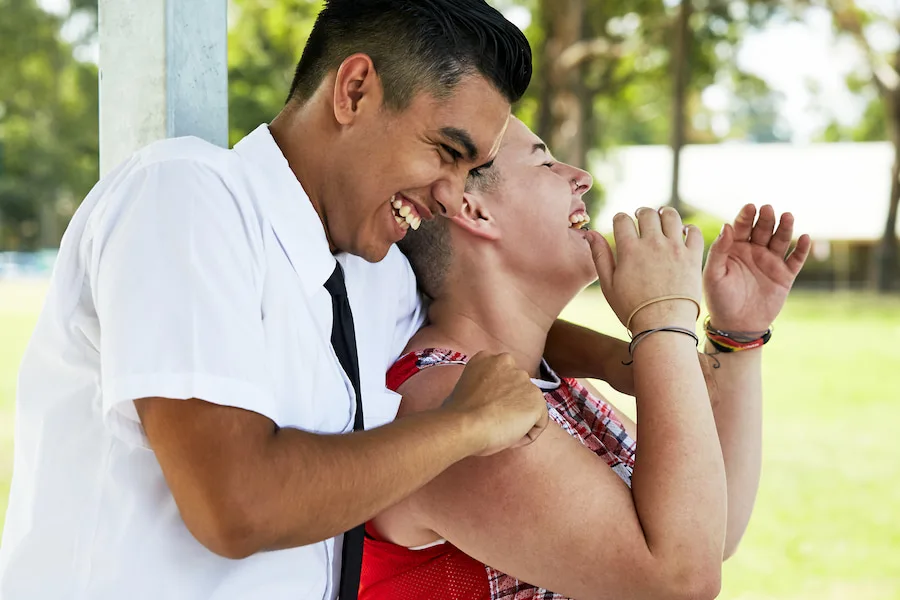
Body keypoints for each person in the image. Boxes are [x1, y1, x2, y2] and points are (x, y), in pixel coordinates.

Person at [0, 3, 633, 599]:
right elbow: (235, 506)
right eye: (446, 152)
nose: (450, 195)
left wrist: (626, 357)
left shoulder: (370, 267)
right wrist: (462, 426)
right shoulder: (185, 199)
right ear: (354, 89)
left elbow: (472, 322)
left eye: (471, 171)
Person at [360, 117, 812, 600]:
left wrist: (737, 336)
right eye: (544, 161)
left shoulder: (542, 379)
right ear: (474, 210)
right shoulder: (452, 403)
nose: (580, 176)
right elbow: (680, 580)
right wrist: (662, 317)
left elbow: (708, 532)